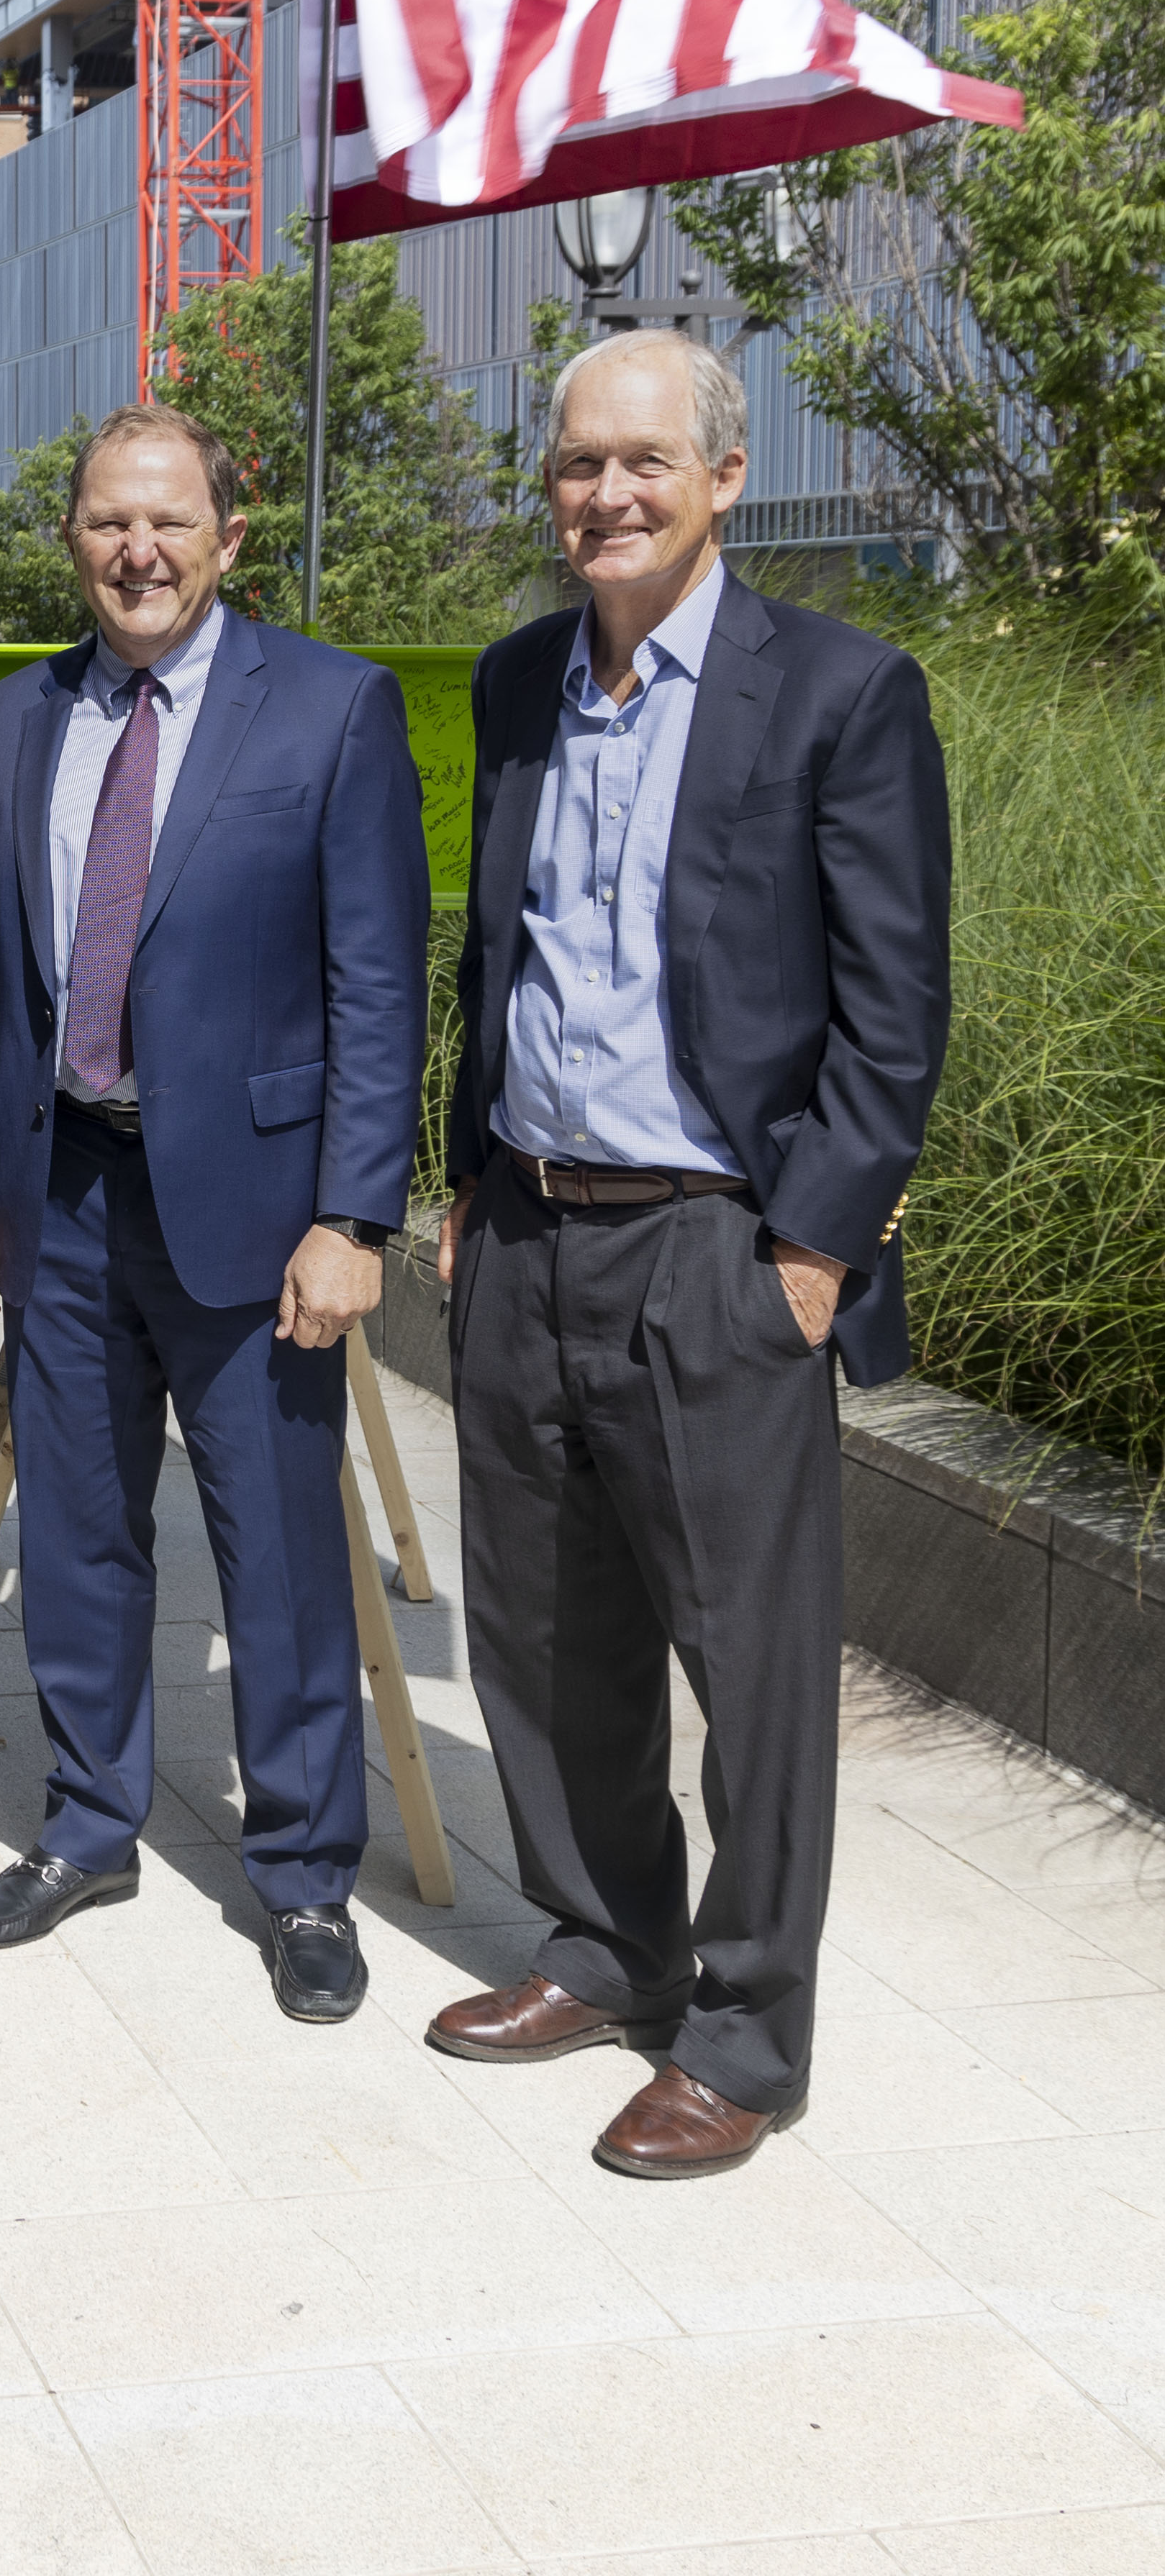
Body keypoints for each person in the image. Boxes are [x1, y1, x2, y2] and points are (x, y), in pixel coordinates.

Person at [427, 327, 951, 2177]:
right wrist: (468, 1173)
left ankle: (743, 2027)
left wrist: (807, 1253)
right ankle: (605, 1942)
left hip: (721, 1250)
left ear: (725, 475)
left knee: (752, 1666)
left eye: (645, 460)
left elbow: (896, 1021)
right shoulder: (515, 685)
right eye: (578, 463)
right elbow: (496, 951)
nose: (607, 493)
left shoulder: (842, 693)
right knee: (550, 1631)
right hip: (531, 1234)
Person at [0, 403, 427, 2019]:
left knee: (275, 1551)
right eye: (106, 521)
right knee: (76, 1534)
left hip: (261, 1207)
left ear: (228, 537)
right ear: (70, 536)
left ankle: (302, 1875)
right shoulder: (7, 725)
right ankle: (88, 1824)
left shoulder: (333, 711)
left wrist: (355, 1212)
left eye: (170, 521)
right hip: (58, 1185)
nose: (138, 550)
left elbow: (378, 981)